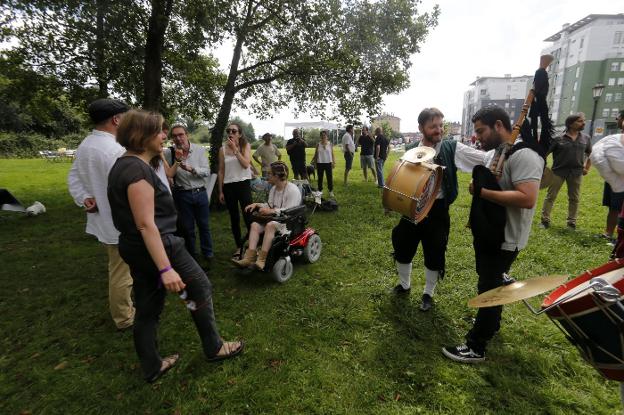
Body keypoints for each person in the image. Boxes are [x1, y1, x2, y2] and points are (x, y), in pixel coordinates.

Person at [107, 109, 243, 383]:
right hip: (160, 246)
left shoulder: (127, 164)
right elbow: (146, 224)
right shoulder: (135, 170)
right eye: (159, 131)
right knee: (199, 287)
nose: (165, 136)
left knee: (148, 306)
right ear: (141, 135)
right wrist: (166, 268)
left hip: (134, 246)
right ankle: (214, 347)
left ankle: (152, 365)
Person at [442, 106, 543, 363]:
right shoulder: (496, 154)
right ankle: (492, 323)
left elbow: (527, 198)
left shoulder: (525, 155)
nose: (477, 137)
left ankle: (477, 345)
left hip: (506, 238)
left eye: (481, 131)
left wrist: (482, 193)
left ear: (499, 125)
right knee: (490, 281)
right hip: (489, 234)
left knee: (490, 288)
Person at [390, 108, 490, 312]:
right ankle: (404, 284)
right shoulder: (410, 149)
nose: (438, 130)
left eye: (440, 125)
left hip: (437, 210)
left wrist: (504, 154)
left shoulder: (452, 148)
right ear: (421, 128)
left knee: (435, 251)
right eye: (433, 126)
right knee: (402, 246)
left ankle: (428, 293)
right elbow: (401, 178)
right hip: (411, 208)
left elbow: (484, 159)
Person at [67, 98, 135, 331]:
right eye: (126, 117)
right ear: (116, 120)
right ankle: (124, 317)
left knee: (119, 267)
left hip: (105, 221)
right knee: (121, 272)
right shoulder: (115, 150)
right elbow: (127, 189)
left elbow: (74, 178)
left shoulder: (85, 145)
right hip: (120, 223)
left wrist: (83, 198)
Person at [232, 161, 302, 269]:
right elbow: (269, 205)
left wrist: (272, 211)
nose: (267, 175)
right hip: (273, 219)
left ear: (277, 176)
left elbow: (290, 210)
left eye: (269, 174)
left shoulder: (292, 190)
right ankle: (249, 258)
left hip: (288, 222)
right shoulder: (274, 189)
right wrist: (257, 204)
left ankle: (262, 260)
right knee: (254, 225)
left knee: (270, 225)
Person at [163, 124, 213, 265]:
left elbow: (207, 171)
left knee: (204, 226)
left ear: (187, 135)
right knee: (188, 228)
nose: (178, 138)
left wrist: (191, 169)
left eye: (181, 135)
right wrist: (170, 178)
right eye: (175, 136)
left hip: (200, 192)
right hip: (182, 195)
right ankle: (192, 255)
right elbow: (167, 171)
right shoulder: (169, 153)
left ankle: (208, 253)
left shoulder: (198, 150)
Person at [540, 113, 592, 230]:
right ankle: (545, 220)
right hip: (558, 172)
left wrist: (587, 167)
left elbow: (590, 154)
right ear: (570, 124)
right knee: (551, 196)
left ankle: (571, 222)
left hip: (576, 173)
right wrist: (543, 168)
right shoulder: (558, 138)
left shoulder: (586, 138)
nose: (583, 123)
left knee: (574, 198)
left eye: (583, 121)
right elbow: (544, 154)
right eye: (580, 121)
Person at [218, 122, 253, 259]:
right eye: (228, 131)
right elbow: (221, 171)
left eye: (234, 131)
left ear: (239, 133)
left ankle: (252, 245)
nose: (230, 133)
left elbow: (245, 165)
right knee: (234, 217)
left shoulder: (245, 145)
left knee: (248, 215)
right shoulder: (222, 149)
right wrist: (220, 191)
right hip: (229, 186)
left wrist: (235, 149)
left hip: (243, 184)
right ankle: (239, 246)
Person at [592, 110, 624, 244]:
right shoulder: (616, 138)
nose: (617, 120)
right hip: (614, 180)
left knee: (619, 208)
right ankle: (608, 233)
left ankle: (619, 237)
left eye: (619, 117)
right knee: (614, 207)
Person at [311, 130, 335, 198]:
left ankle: (330, 191)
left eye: (324, 135)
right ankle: (320, 191)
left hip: (328, 163)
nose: (323, 136)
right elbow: (316, 154)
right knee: (320, 178)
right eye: (322, 135)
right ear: (320, 136)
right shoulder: (318, 145)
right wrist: (315, 163)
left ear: (327, 136)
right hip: (320, 163)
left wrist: (333, 162)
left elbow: (332, 154)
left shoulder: (330, 144)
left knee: (329, 178)